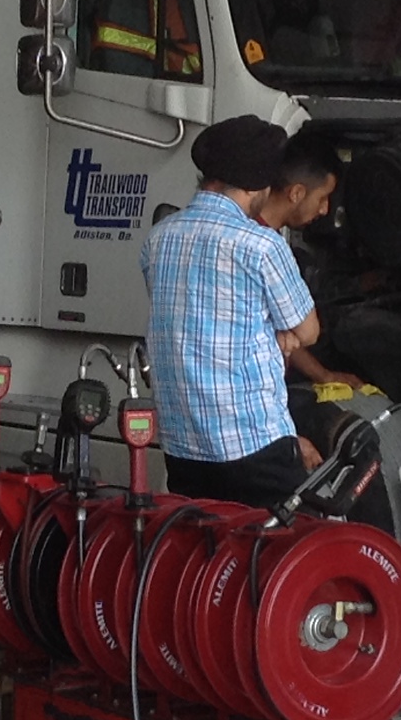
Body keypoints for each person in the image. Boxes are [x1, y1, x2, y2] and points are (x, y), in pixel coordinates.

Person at [144, 115, 324, 507]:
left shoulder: (159, 239)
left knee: (207, 541)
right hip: (252, 445)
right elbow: (308, 332)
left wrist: (274, 328)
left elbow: (193, 318)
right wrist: (281, 331)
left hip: (183, 448)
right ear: (256, 184)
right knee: (291, 542)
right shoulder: (261, 245)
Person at [257, 132, 367, 392]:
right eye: (322, 197)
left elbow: (284, 327)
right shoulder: (266, 248)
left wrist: (323, 375)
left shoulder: (257, 234)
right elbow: (307, 332)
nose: (324, 209)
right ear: (296, 193)